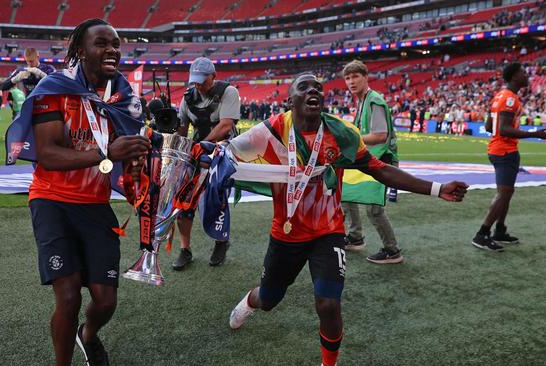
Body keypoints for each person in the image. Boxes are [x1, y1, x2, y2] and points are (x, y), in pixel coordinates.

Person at [224, 73, 468, 366]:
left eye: (318, 88)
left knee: (328, 304)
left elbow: (380, 169)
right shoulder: (271, 130)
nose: (313, 90)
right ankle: (251, 302)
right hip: (286, 233)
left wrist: (437, 189)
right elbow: (228, 154)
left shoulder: (341, 133)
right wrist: (204, 155)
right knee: (269, 299)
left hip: (328, 232)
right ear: (290, 100)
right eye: (304, 87)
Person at [10, 18, 150, 366]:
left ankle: (87, 335)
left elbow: (126, 155)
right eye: (102, 43)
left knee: (105, 301)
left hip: (95, 202)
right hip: (51, 199)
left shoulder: (124, 99)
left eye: (116, 44)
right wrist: (106, 154)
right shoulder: (54, 89)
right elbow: (48, 153)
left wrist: (137, 164)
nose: (112, 50)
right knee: (69, 296)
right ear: (79, 50)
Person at [172, 56, 241, 270]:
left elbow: (225, 125)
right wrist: (174, 138)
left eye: (203, 80)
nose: (198, 85)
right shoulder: (187, 97)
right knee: (183, 197)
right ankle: (185, 249)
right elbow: (182, 129)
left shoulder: (228, 92)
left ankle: (221, 241)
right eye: (195, 80)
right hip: (196, 151)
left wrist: (201, 144)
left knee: (216, 197)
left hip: (222, 151)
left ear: (214, 76)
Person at [472, 63, 546, 251]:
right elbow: (504, 129)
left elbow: (489, 127)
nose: (526, 75)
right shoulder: (510, 99)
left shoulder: (499, 96)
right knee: (504, 193)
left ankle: (500, 230)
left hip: (499, 150)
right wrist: (535, 134)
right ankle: (482, 234)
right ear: (514, 77)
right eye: (522, 72)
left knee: (506, 193)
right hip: (504, 152)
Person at [341, 60, 402, 264]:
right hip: (369, 158)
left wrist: (351, 136)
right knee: (347, 193)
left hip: (383, 159)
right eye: (348, 78)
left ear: (365, 78)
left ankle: (392, 251)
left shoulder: (374, 100)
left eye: (355, 76)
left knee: (374, 208)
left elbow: (379, 136)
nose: (351, 81)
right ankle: (355, 237)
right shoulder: (363, 101)